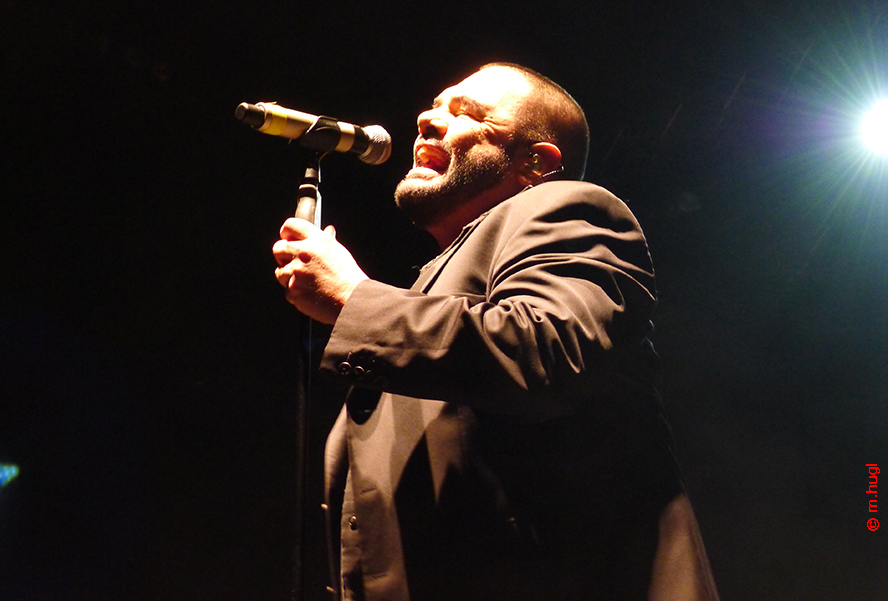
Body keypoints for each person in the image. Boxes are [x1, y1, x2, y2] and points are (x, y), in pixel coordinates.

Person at [273, 63, 719, 601]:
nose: (427, 120)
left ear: (536, 162)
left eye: (467, 113)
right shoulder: (429, 290)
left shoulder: (570, 208)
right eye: (433, 107)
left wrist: (354, 298)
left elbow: (548, 350)